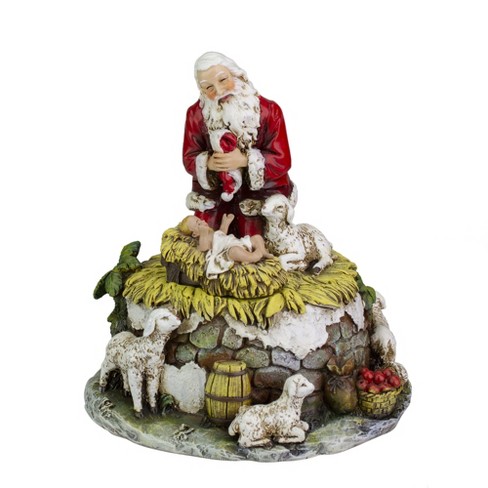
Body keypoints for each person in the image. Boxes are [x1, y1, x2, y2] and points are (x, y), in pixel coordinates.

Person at [183, 51, 294, 238]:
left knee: (251, 235)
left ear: (237, 75)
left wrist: (245, 160)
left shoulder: (270, 111)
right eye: (208, 87)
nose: (219, 91)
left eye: (223, 80)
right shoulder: (196, 114)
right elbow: (189, 156)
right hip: (215, 193)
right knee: (205, 235)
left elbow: (282, 159)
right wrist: (208, 163)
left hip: (261, 192)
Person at [178, 213, 272, 279]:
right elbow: (204, 250)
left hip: (238, 242)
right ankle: (253, 257)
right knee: (234, 251)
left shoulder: (213, 232)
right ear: (194, 234)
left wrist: (226, 222)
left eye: (200, 220)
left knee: (256, 237)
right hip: (229, 249)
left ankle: (263, 251)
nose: (202, 221)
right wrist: (203, 234)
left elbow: (222, 233)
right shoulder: (204, 239)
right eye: (198, 224)